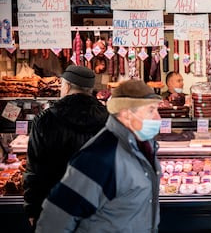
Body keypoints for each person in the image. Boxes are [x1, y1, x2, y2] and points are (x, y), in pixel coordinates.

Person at [35, 79, 162, 233]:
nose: (158, 118)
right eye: (151, 110)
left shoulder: (144, 148)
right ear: (127, 114)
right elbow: (55, 220)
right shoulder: (101, 156)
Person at [23, 65, 109, 229]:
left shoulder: (44, 120)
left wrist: (32, 210)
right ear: (89, 89)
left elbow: (34, 170)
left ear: (67, 86)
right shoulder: (110, 119)